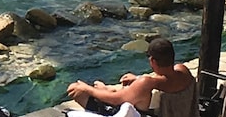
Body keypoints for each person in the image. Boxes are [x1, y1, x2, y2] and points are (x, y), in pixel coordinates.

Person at [66, 37, 194, 112]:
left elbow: (116, 100)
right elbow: (163, 81)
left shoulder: (147, 83)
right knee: (115, 90)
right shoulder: (183, 71)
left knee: (76, 90)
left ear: (153, 61)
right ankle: (105, 89)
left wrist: (87, 89)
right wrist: (137, 79)